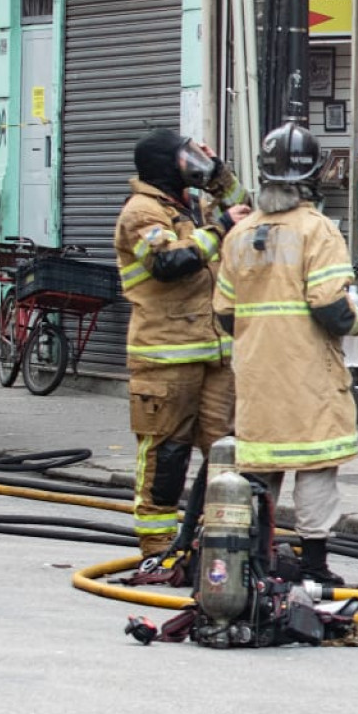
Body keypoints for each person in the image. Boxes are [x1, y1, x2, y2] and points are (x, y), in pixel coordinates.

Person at [212, 120, 358, 586]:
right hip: (308, 376)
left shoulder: (240, 235)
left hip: (257, 376)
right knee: (316, 468)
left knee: (260, 471)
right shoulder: (318, 231)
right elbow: (331, 308)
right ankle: (314, 566)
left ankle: (254, 564)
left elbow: (224, 313)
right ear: (312, 175)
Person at [113, 129, 248, 557]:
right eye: (185, 157)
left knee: (227, 452)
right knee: (167, 453)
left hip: (215, 352)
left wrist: (218, 173)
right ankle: (157, 545)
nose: (193, 163)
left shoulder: (191, 204)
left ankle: (220, 541)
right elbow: (167, 262)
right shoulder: (142, 212)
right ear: (164, 165)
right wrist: (219, 230)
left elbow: (246, 207)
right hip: (166, 355)